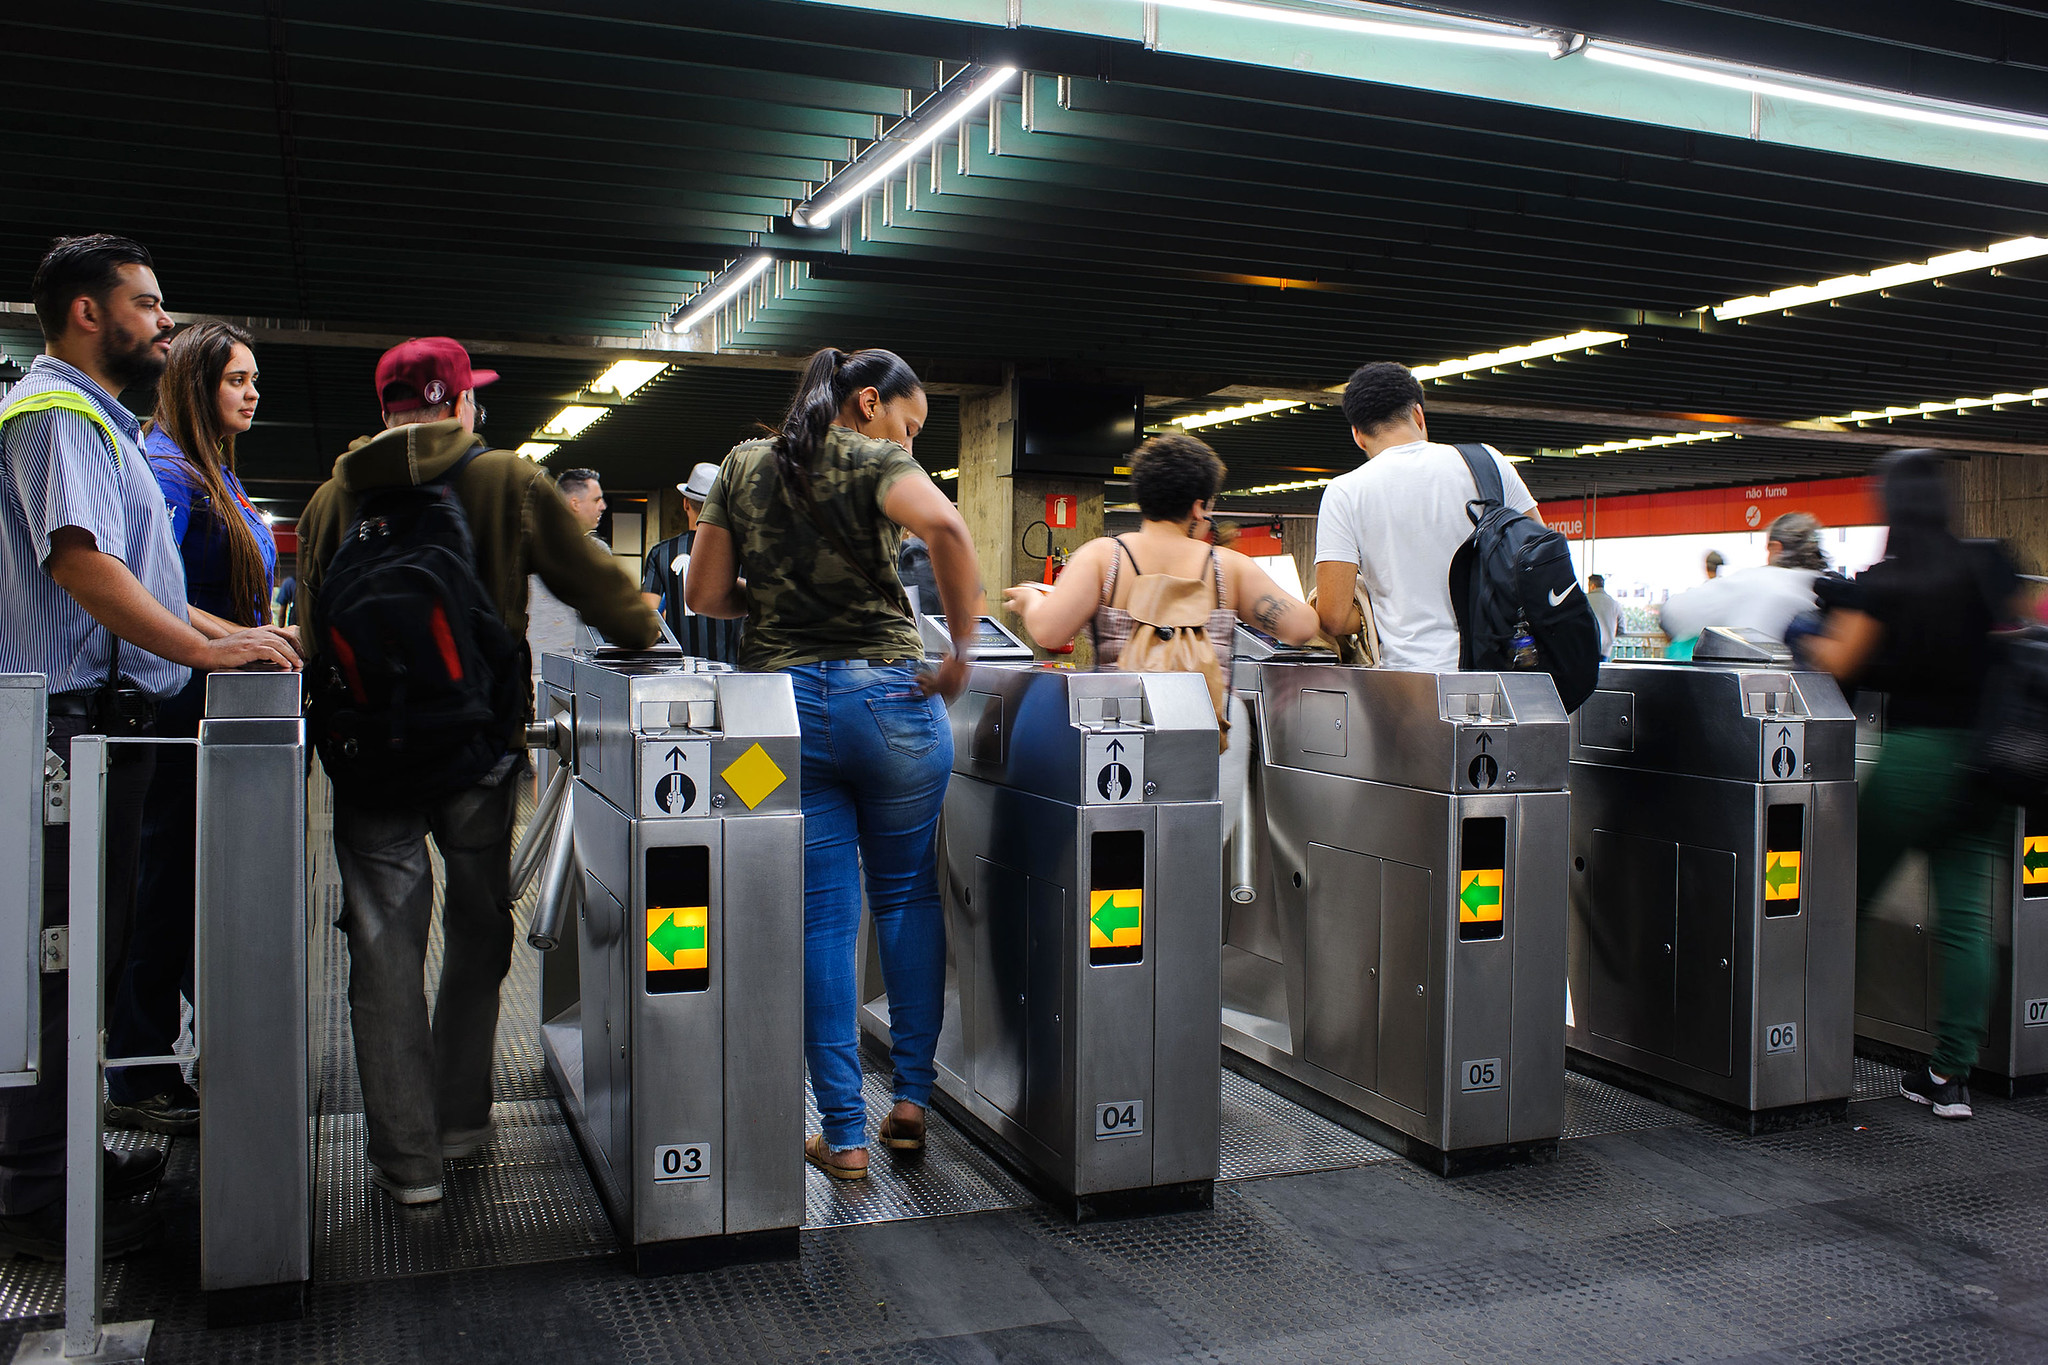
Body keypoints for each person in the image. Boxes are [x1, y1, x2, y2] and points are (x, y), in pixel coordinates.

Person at [297, 339, 658, 1205]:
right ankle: (461, 1118)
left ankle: (406, 1161)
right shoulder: (505, 481)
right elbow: (605, 593)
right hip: (476, 756)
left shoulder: (331, 499)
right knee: (477, 928)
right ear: (461, 404)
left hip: (369, 763)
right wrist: (645, 632)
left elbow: (313, 634)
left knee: (382, 947)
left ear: (386, 408)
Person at [0, 235, 299, 1259]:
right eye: (146, 303)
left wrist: (234, 638)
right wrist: (207, 653)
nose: (163, 321)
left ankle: (59, 1155)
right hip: (63, 725)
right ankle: (34, 1190)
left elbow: (154, 586)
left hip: (103, 723)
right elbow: (82, 567)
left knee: (88, 948)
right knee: (53, 957)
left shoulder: (106, 426)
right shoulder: (54, 414)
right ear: (89, 312)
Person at [686, 346, 981, 1182]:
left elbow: (703, 595)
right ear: (867, 402)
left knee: (822, 918)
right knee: (906, 895)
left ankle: (844, 1135)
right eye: (909, 425)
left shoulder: (744, 464)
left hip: (778, 720)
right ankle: (911, 1101)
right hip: (892, 702)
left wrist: (776, 598)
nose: (911, 444)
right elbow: (949, 528)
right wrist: (960, 651)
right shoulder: (876, 461)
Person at [1806, 452, 2018, 1122]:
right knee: (1965, 920)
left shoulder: (1891, 581)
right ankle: (1948, 1075)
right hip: (1987, 761)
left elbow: (1838, 662)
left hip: (1917, 757)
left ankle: (1813, 1051)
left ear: (1892, 505)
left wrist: (1811, 627)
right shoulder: (1992, 564)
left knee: (1843, 898)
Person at [108, 321, 280, 1137]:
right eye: (236, 379)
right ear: (193, 383)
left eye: (254, 380)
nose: (252, 393)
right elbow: (146, 592)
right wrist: (234, 640)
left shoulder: (214, 470)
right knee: (164, 884)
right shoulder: (166, 471)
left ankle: (191, 1045)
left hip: (218, 706)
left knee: (196, 887)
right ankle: (139, 1068)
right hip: (179, 705)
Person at [1002, 430, 1318, 816]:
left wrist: (1032, 600)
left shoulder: (1105, 557)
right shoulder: (1227, 567)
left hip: (1118, 739)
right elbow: (1301, 627)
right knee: (1198, 844)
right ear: (1199, 507)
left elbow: (1049, 631)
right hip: (1206, 736)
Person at [1313, 361, 1542, 669]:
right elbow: (1539, 560)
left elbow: (1333, 617)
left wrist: (1379, 608)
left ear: (1358, 435)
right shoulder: (1489, 463)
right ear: (1418, 414)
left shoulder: (1345, 492)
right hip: (1501, 669)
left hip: (1409, 680)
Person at [1660, 513, 1827, 649]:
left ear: (1776, 548)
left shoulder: (1756, 583)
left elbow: (1674, 612)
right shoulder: (1826, 589)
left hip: (1753, 678)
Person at [641, 462, 742, 663]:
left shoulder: (661, 553)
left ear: (686, 504)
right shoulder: (740, 551)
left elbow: (648, 615)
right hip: (731, 668)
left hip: (680, 668)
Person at [526, 467, 611, 676]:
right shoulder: (594, 551)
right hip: (550, 668)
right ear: (575, 503)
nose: (603, 506)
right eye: (596, 500)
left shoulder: (528, 543)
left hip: (570, 665)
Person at [1585, 574, 1621, 660]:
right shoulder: (1614, 603)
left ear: (1592, 586)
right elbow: (1621, 629)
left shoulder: (1584, 600)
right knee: (1603, 668)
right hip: (1605, 650)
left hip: (1586, 648)